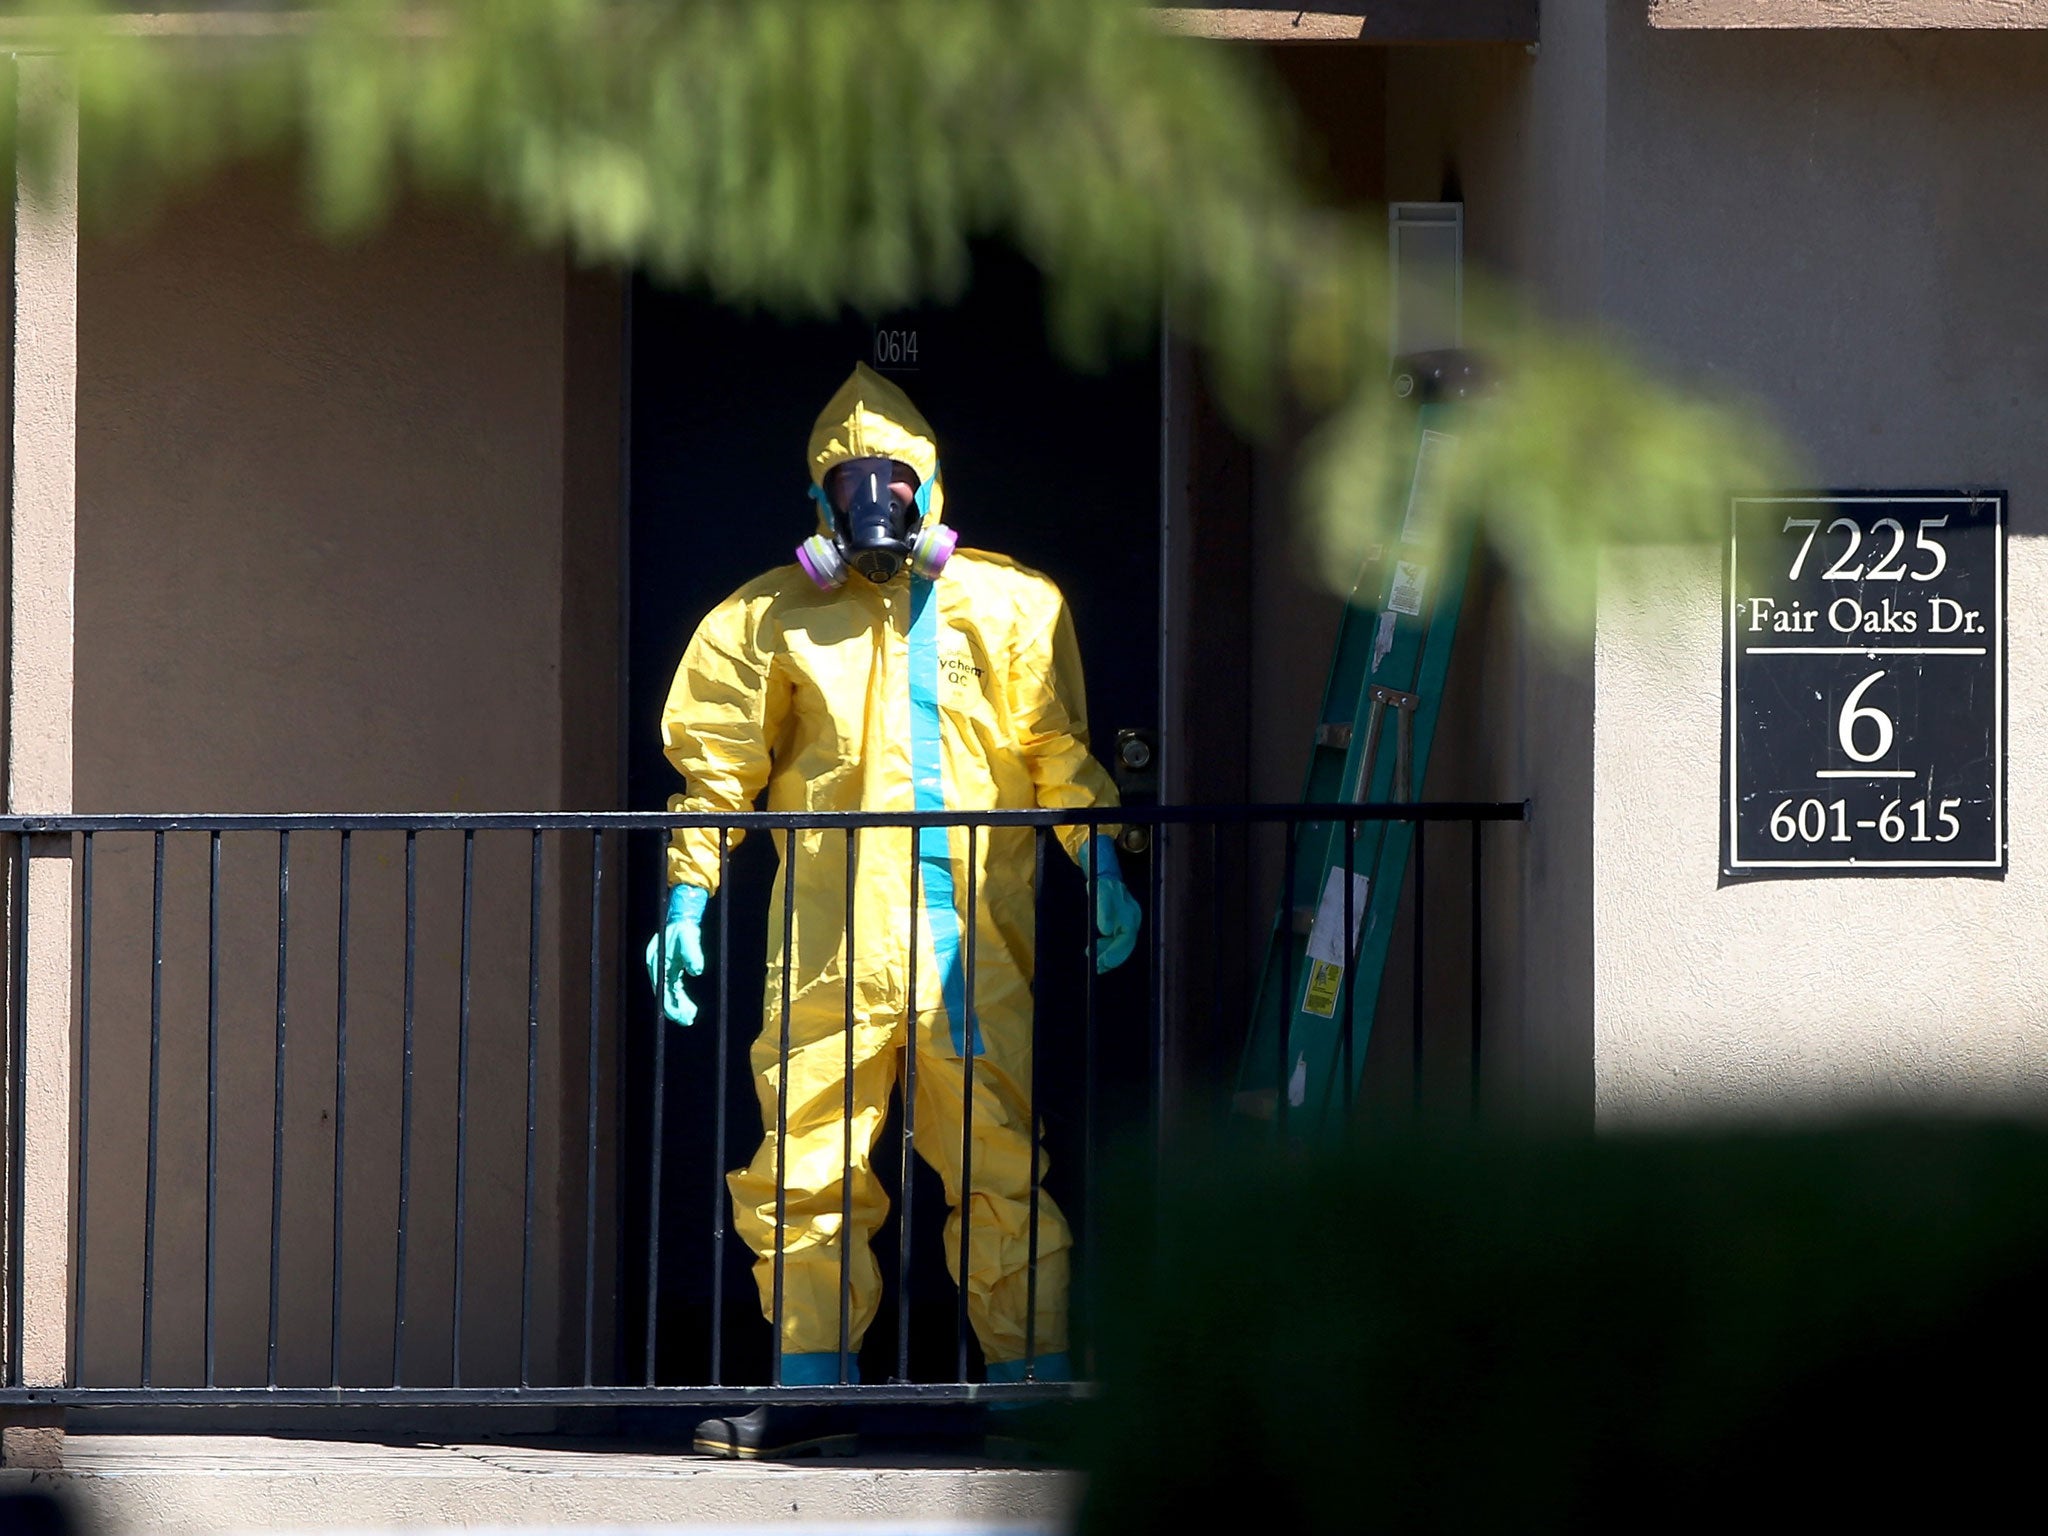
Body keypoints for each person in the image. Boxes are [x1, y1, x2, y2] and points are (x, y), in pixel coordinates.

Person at [648, 362, 1142, 1458]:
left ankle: (1031, 1386)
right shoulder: (764, 619)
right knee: (805, 1165)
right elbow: (717, 772)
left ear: (929, 490)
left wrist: (1100, 861)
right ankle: (809, 1392)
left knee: (998, 1160)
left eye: (894, 479)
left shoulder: (1013, 604)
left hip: (973, 946)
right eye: (850, 482)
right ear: (818, 500)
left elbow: (1054, 753)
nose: (875, 501)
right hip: (828, 949)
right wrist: (686, 893)